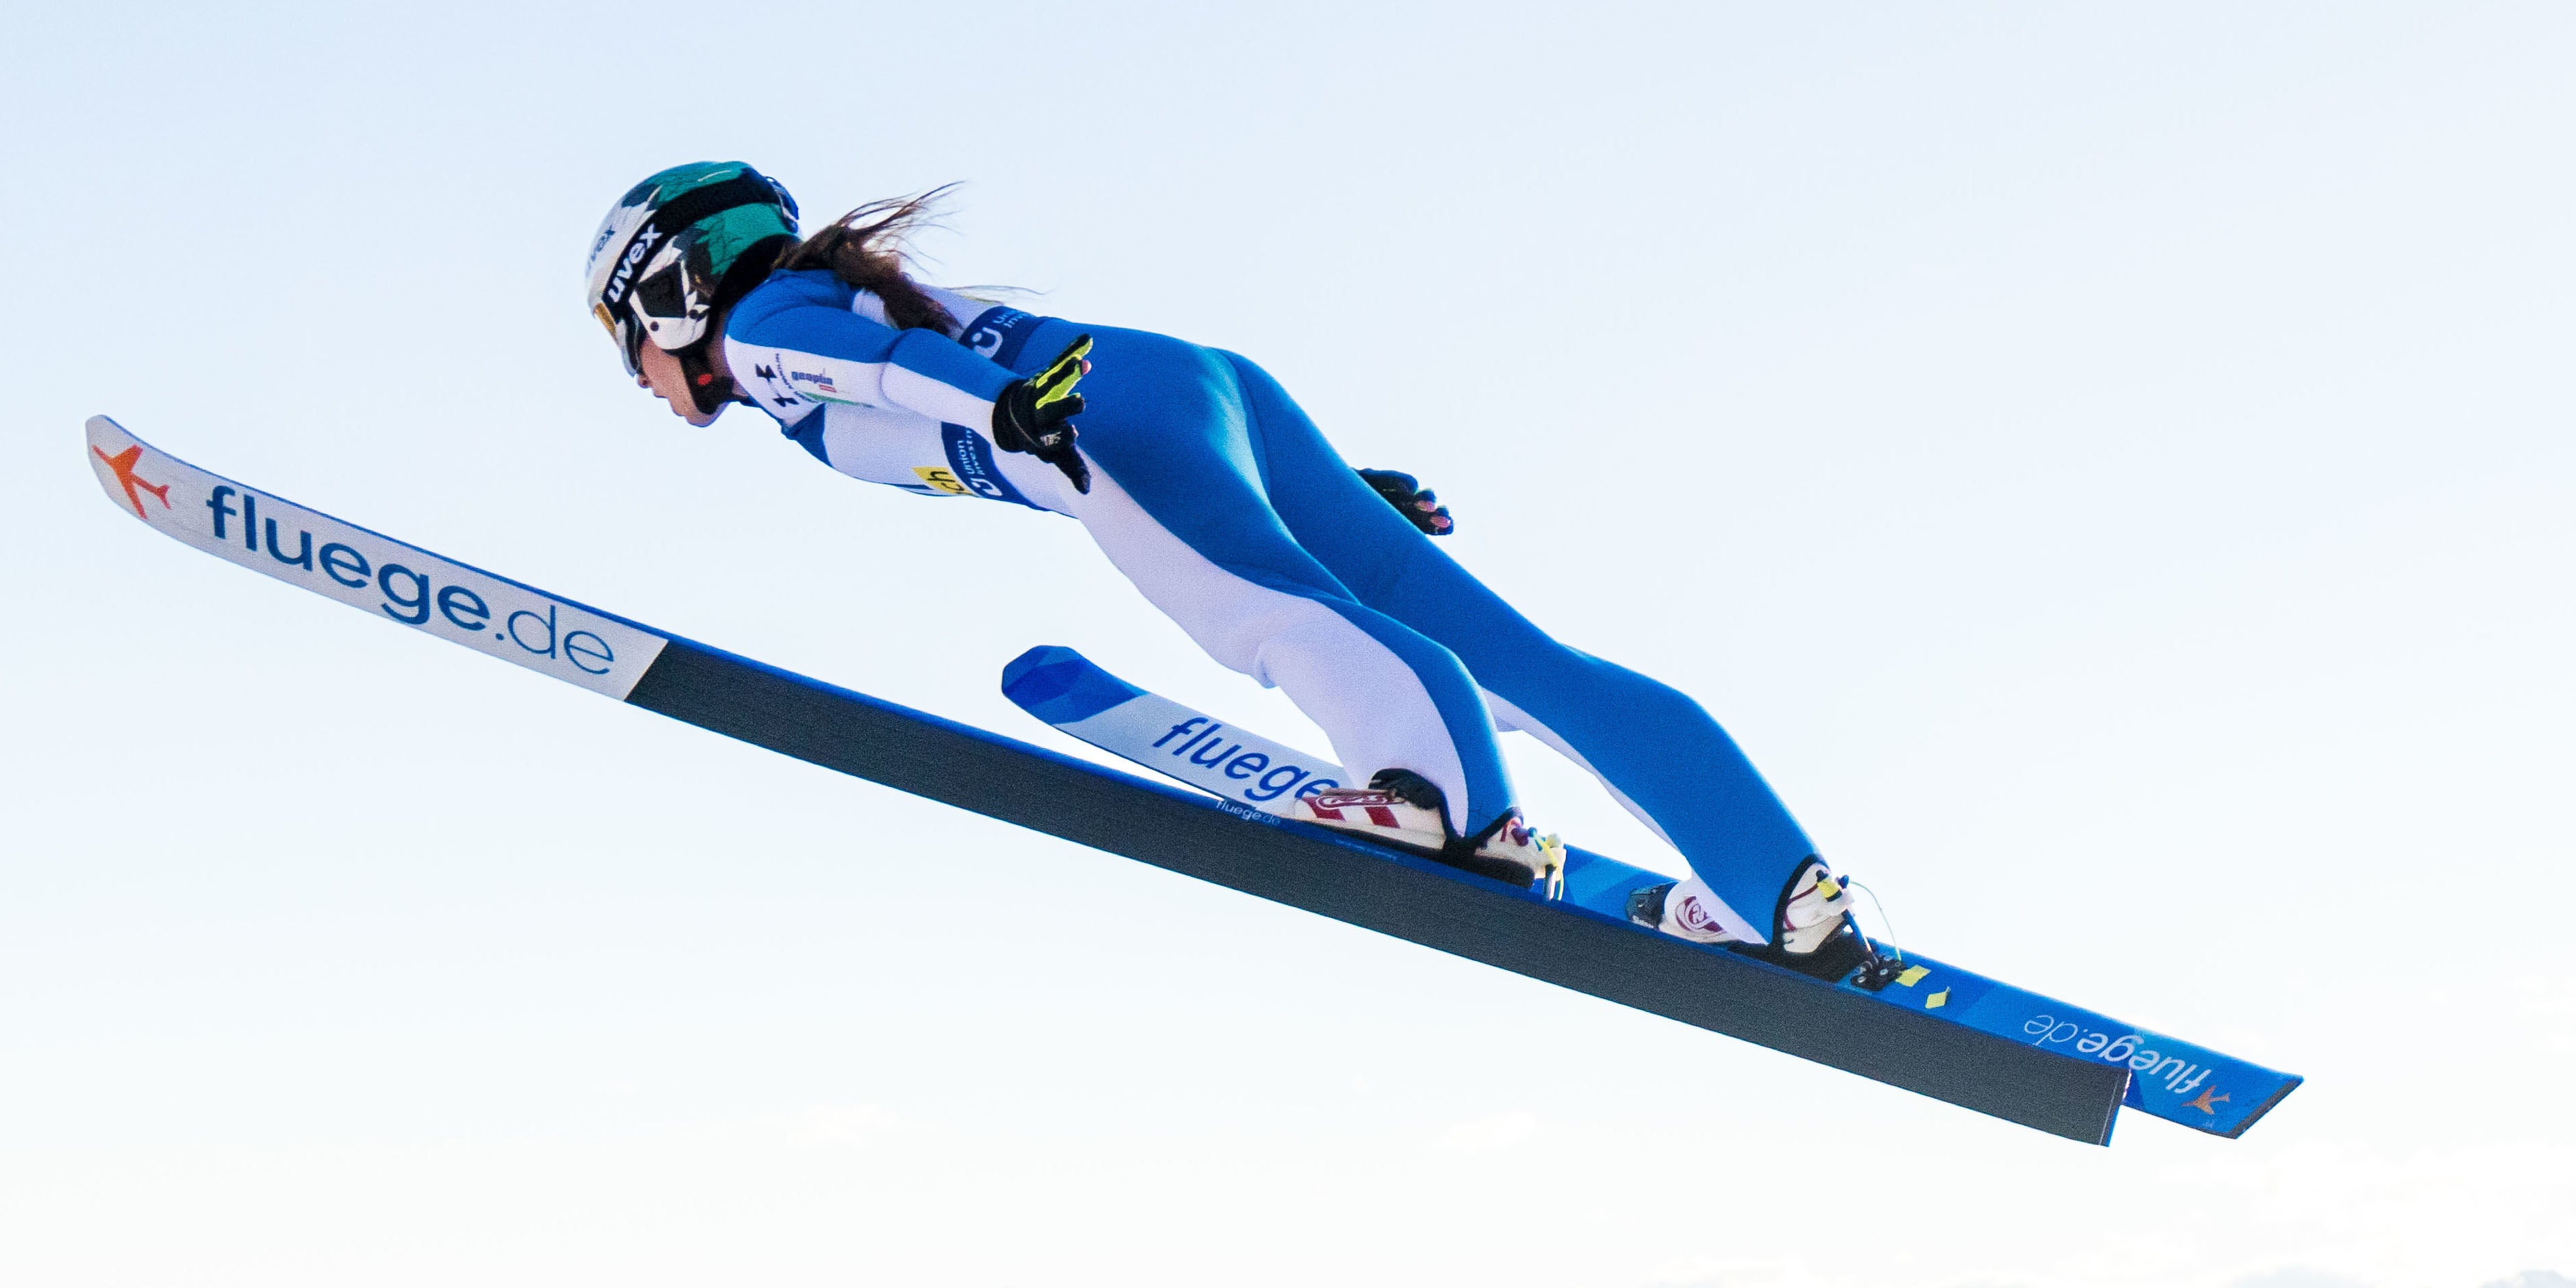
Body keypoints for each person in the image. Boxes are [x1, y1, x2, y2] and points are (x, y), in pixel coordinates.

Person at [583, 162, 1880, 979]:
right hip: (1199, 388)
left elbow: (882, 370)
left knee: (1254, 609)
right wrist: (1333, 492)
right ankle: (1779, 889)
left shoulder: (760, 333)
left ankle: (1444, 803)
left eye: (619, 328)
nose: (632, 369)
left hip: (1099, 417)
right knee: (1522, 665)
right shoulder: (831, 292)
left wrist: (1007, 413)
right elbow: (917, 354)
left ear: (671, 289)